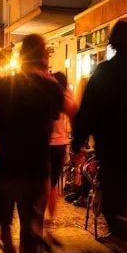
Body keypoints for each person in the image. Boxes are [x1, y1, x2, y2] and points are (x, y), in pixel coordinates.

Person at [0, 34, 73, 253]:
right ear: (44, 56)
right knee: (32, 224)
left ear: (21, 55)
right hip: (37, 169)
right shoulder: (50, 87)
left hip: (7, 167)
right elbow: (73, 109)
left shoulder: (0, 85)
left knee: (5, 224)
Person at [71, 21, 127, 240]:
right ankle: (126, 241)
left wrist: (78, 144)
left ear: (113, 43)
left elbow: (87, 112)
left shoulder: (103, 73)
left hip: (110, 150)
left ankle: (121, 243)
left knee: (113, 202)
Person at [47, 72, 76, 219]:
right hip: (59, 142)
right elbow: (73, 114)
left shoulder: (46, 92)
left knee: (44, 183)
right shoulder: (65, 94)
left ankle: (43, 219)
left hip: (45, 143)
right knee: (52, 185)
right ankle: (50, 219)